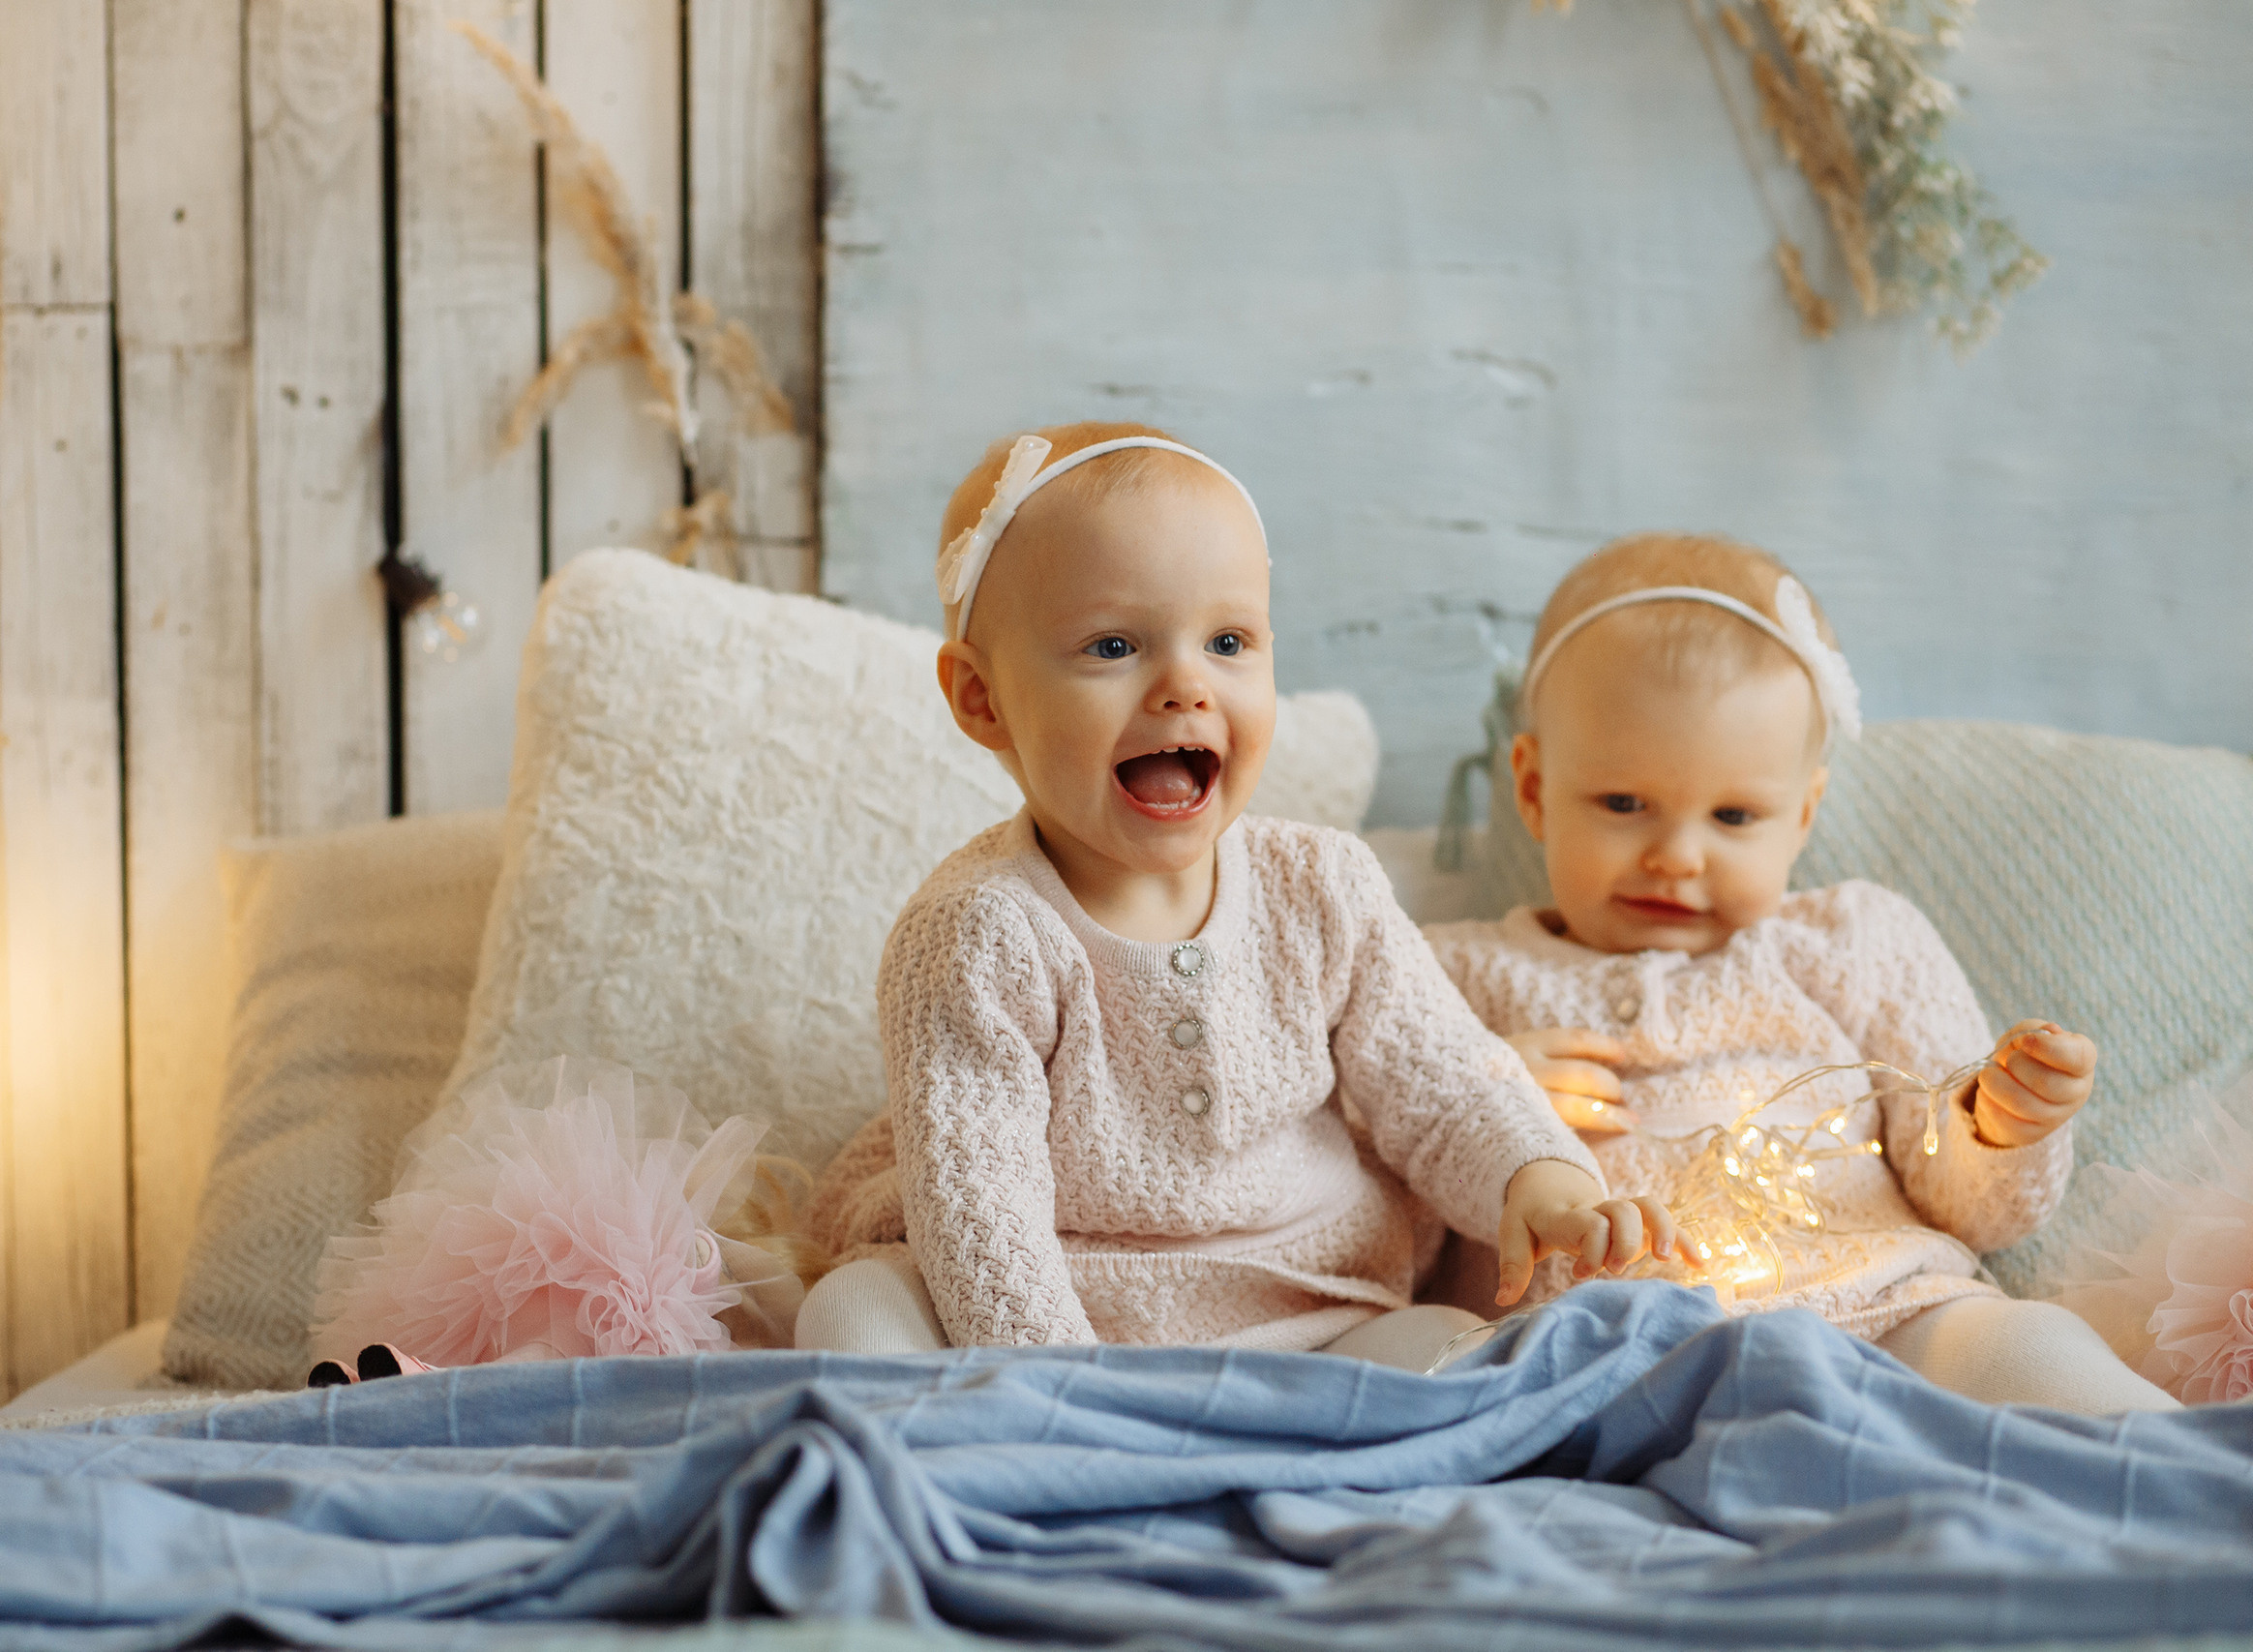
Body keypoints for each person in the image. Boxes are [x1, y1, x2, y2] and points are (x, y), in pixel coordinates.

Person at [796, 422, 1695, 1369]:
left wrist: (1542, 1183)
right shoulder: (976, 933)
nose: (1186, 685)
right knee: (856, 1311)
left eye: (1227, 641)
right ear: (981, 700)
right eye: (1112, 645)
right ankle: (1079, 1460)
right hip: (1050, 1321)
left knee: (1451, 1349)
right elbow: (981, 1220)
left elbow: (1442, 1081)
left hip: (1304, 1306)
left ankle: (1298, 1438)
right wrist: (1064, 1392)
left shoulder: (1322, 888)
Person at [1425, 532, 2177, 1413]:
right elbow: (1363, 1206)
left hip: (1884, 1308)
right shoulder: (1447, 976)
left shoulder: (1853, 938)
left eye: (1735, 814)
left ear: (1805, 812)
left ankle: (2188, 1482)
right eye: (1624, 804)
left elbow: (1977, 1210)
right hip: (1603, 1362)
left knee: (2024, 1347)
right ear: (1532, 788)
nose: (1676, 855)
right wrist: (1476, 1100)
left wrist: (1997, 1125)